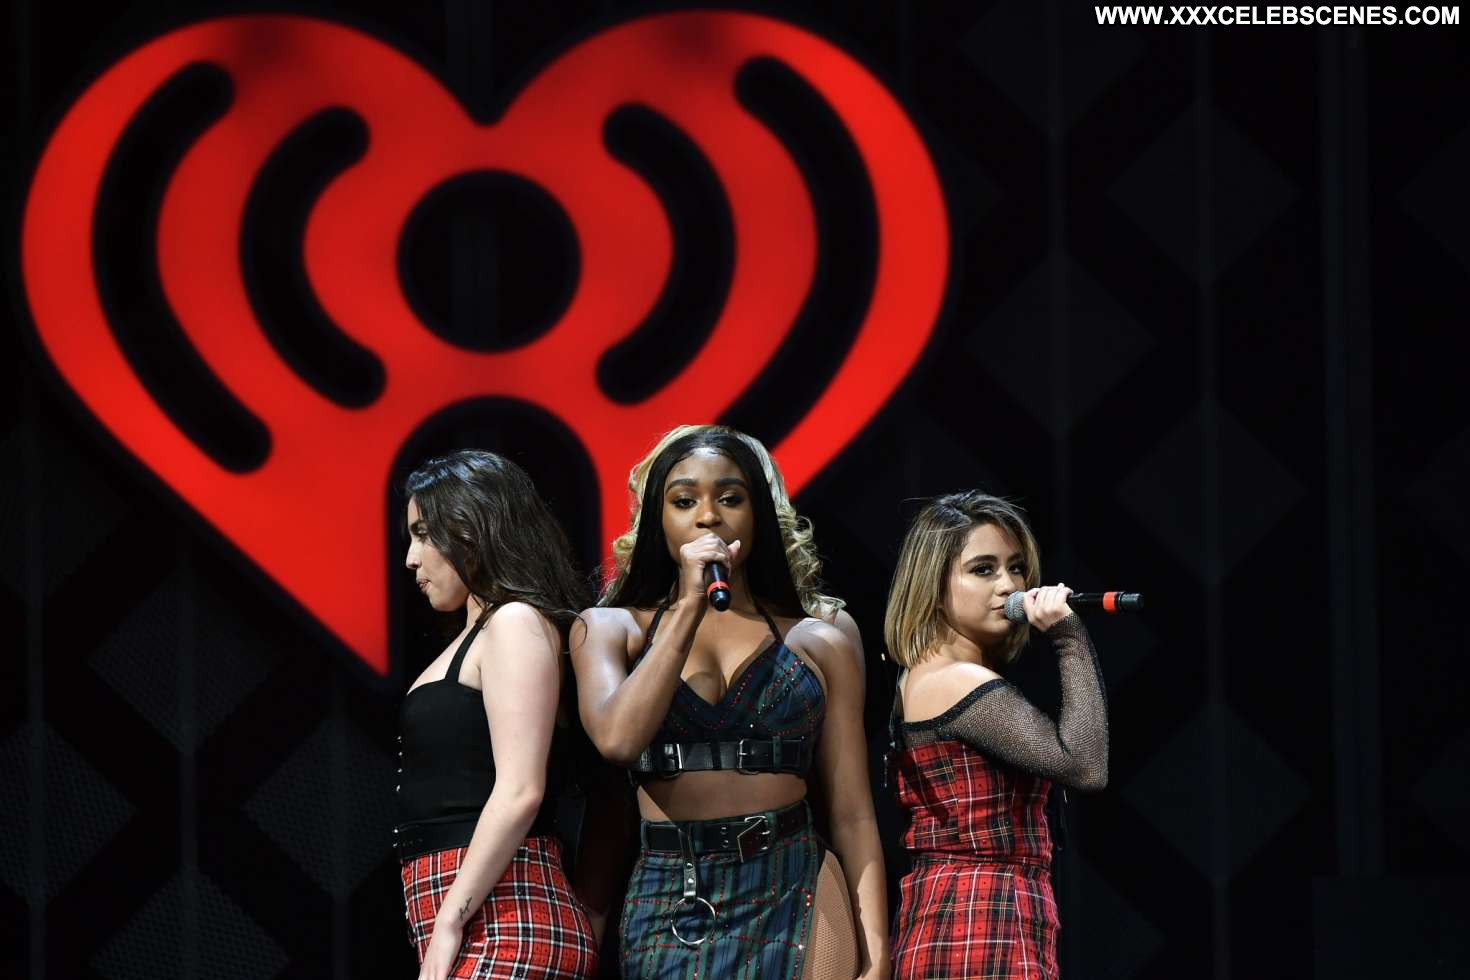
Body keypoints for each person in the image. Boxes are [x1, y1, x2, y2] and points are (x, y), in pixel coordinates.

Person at [572, 425, 889, 979]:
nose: (708, 516)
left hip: (795, 886)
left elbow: (853, 812)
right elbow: (617, 740)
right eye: (684, 500)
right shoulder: (608, 628)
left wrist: (876, 957)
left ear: (758, 513)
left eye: (730, 498)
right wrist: (687, 608)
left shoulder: (822, 637)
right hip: (673, 896)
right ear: (657, 519)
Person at [885, 492, 1108, 980]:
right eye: (983, 569)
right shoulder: (955, 680)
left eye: (1016, 568)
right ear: (933, 584)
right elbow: (1086, 765)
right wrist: (1069, 637)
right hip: (977, 918)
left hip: (979, 911)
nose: (1009, 586)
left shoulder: (931, 674)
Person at [394, 450, 599, 980]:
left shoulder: (513, 623)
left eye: (423, 534)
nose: (411, 559)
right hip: (475, 912)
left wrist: (450, 921)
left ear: (471, 530)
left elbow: (521, 789)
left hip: (508, 918)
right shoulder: (480, 632)